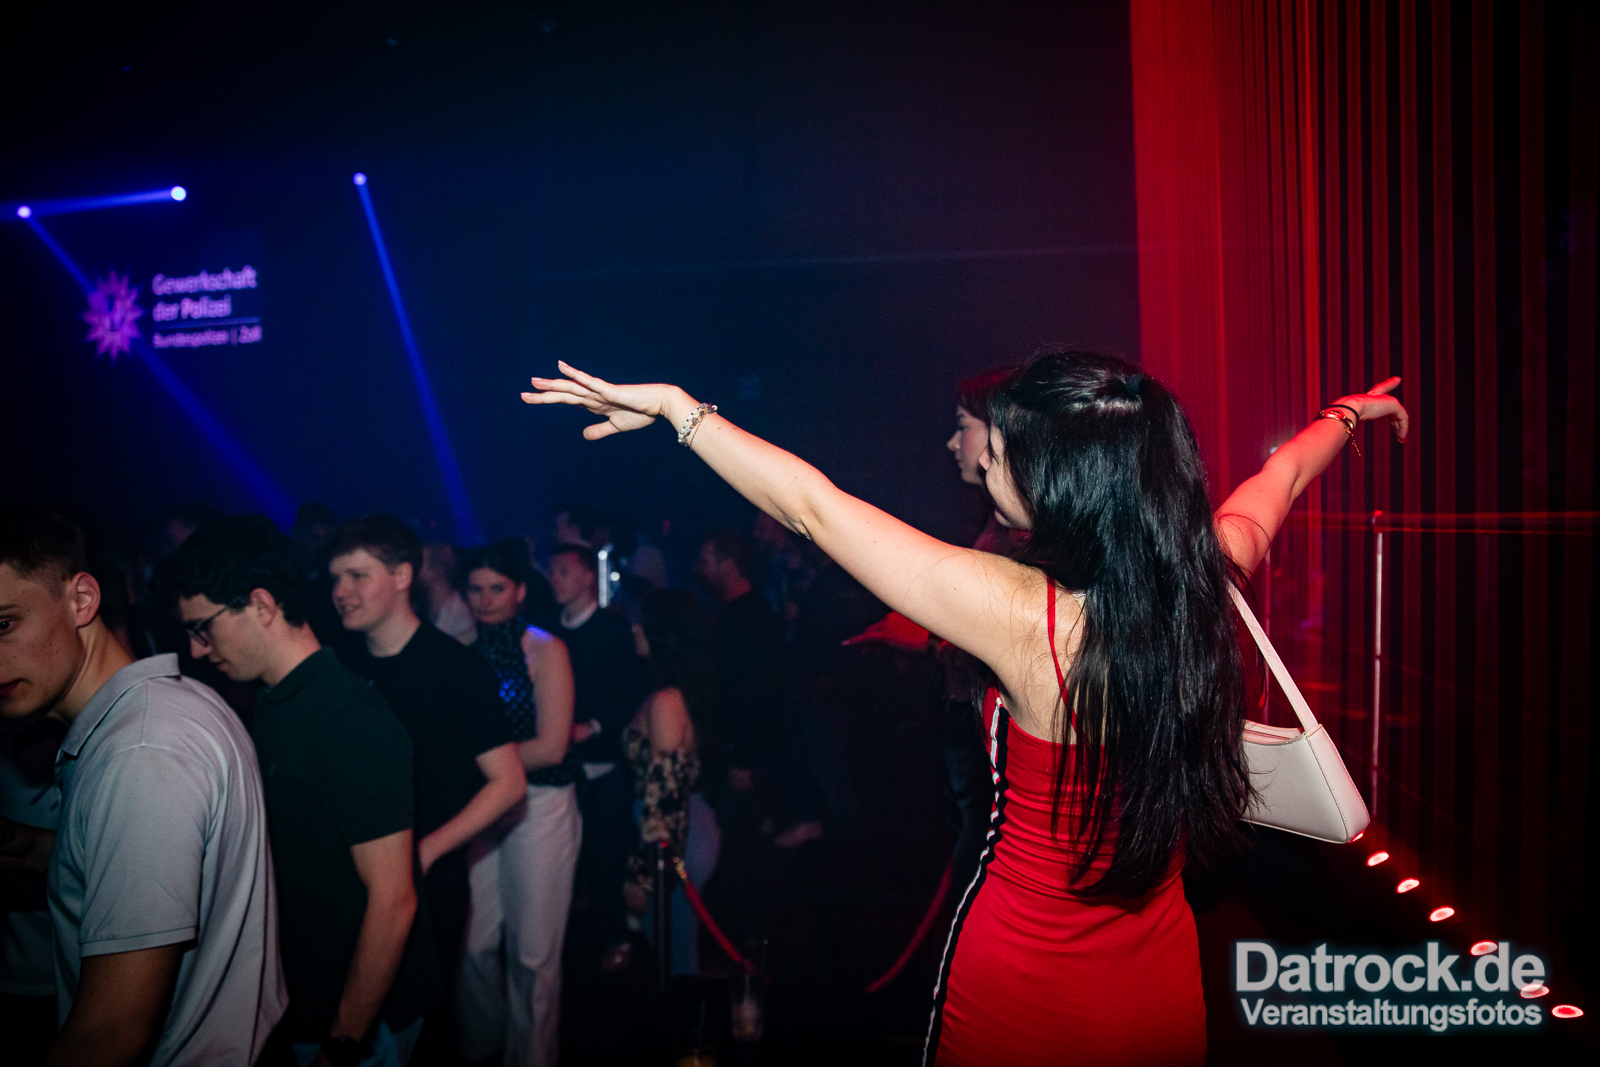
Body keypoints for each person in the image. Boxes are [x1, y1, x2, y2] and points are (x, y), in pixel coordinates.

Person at [520, 354, 1409, 1066]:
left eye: (1005, 447)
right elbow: (1281, 476)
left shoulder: (1028, 614)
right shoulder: (1202, 577)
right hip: (1161, 975)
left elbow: (815, 509)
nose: (986, 460)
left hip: (1025, 976)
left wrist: (680, 411)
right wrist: (1344, 415)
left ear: (1064, 476)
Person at [0, 504, 285, 1066]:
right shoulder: (173, 704)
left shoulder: (140, 752)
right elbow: (143, 865)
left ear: (82, 599)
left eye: (4, 623)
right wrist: (33, 848)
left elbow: (111, 1032)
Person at [161, 514, 437, 1067]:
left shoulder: (347, 717)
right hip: (310, 1000)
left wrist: (342, 1044)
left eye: (204, 628)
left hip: (360, 1023)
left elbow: (393, 901)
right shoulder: (277, 701)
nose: (196, 650)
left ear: (261, 606)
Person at [330, 517, 527, 1066]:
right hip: (352, 877)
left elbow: (509, 782)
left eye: (356, 576)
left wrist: (427, 851)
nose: (341, 591)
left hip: (425, 884)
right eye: (335, 578)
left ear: (401, 576)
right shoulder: (340, 667)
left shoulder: (455, 667)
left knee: (420, 1030)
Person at [456, 541, 580, 1067]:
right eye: (476, 589)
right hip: (482, 803)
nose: (485, 600)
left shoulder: (546, 650)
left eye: (497, 588)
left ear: (521, 591)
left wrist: (480, 762)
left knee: (532, 955)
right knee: (471, 944)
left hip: (540, 802)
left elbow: (552, 746)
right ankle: (484, 1046)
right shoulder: (460, 650)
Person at [546, 542, 646, 971]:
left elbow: (631, 695)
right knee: (567, 857)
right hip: (559, 764)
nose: (554, 579)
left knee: (606, 855)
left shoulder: (611, 630)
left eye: (563, 571)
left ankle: (620, 936)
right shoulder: (547, 632)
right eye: (552, 571)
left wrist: (593, 726)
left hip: (604, 764)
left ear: (589, 577)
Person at [623, 590, 721, 977]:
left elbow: (666, 794)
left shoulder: (666, 702)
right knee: (676, 956)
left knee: (676, 964)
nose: (634, 628)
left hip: (677, 838)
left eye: (643, 622)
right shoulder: (673, 695)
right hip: (681, 833)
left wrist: (644, 876)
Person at [419, 544, 476, 645]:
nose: (413, 571)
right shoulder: (423, 608)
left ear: (437, 571)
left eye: (419, 565)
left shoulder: (459, 615)